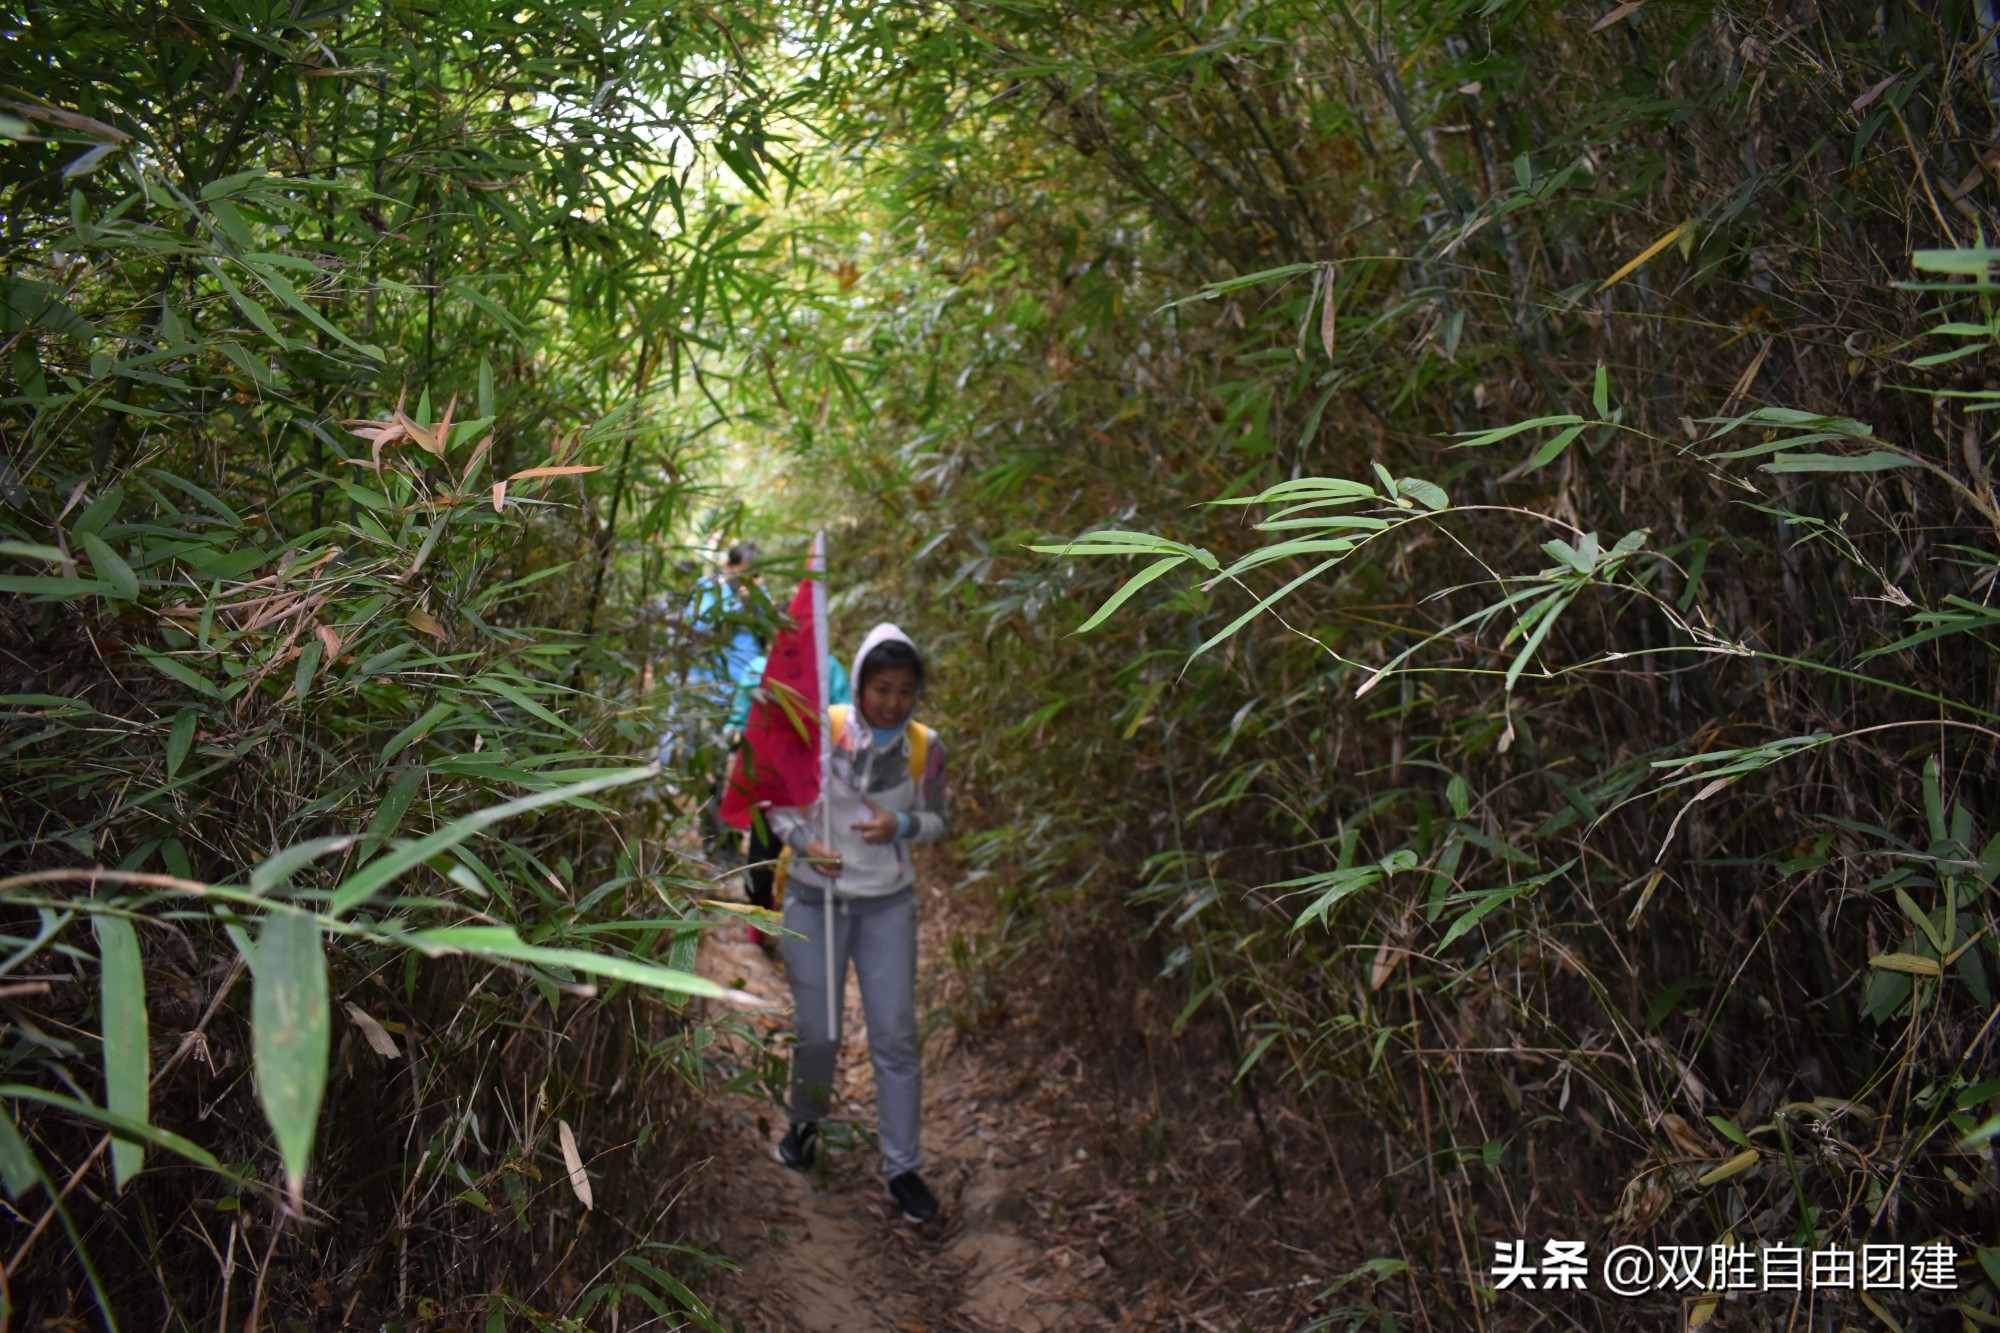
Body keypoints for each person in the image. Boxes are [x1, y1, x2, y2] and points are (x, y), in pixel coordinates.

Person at [766, 624, 947, 1224]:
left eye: (904, 690)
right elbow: (779, 802)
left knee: (895, 1036)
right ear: (862, 683)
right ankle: (807, 1122)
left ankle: (902, 1167)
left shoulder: (926, 746)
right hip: (814, 900)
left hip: (887, 904)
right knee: (819, 1033)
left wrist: (901, 827)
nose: (892, 702)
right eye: (881, 688)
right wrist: (806, 842)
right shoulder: (823, 728)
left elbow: (938, 820)